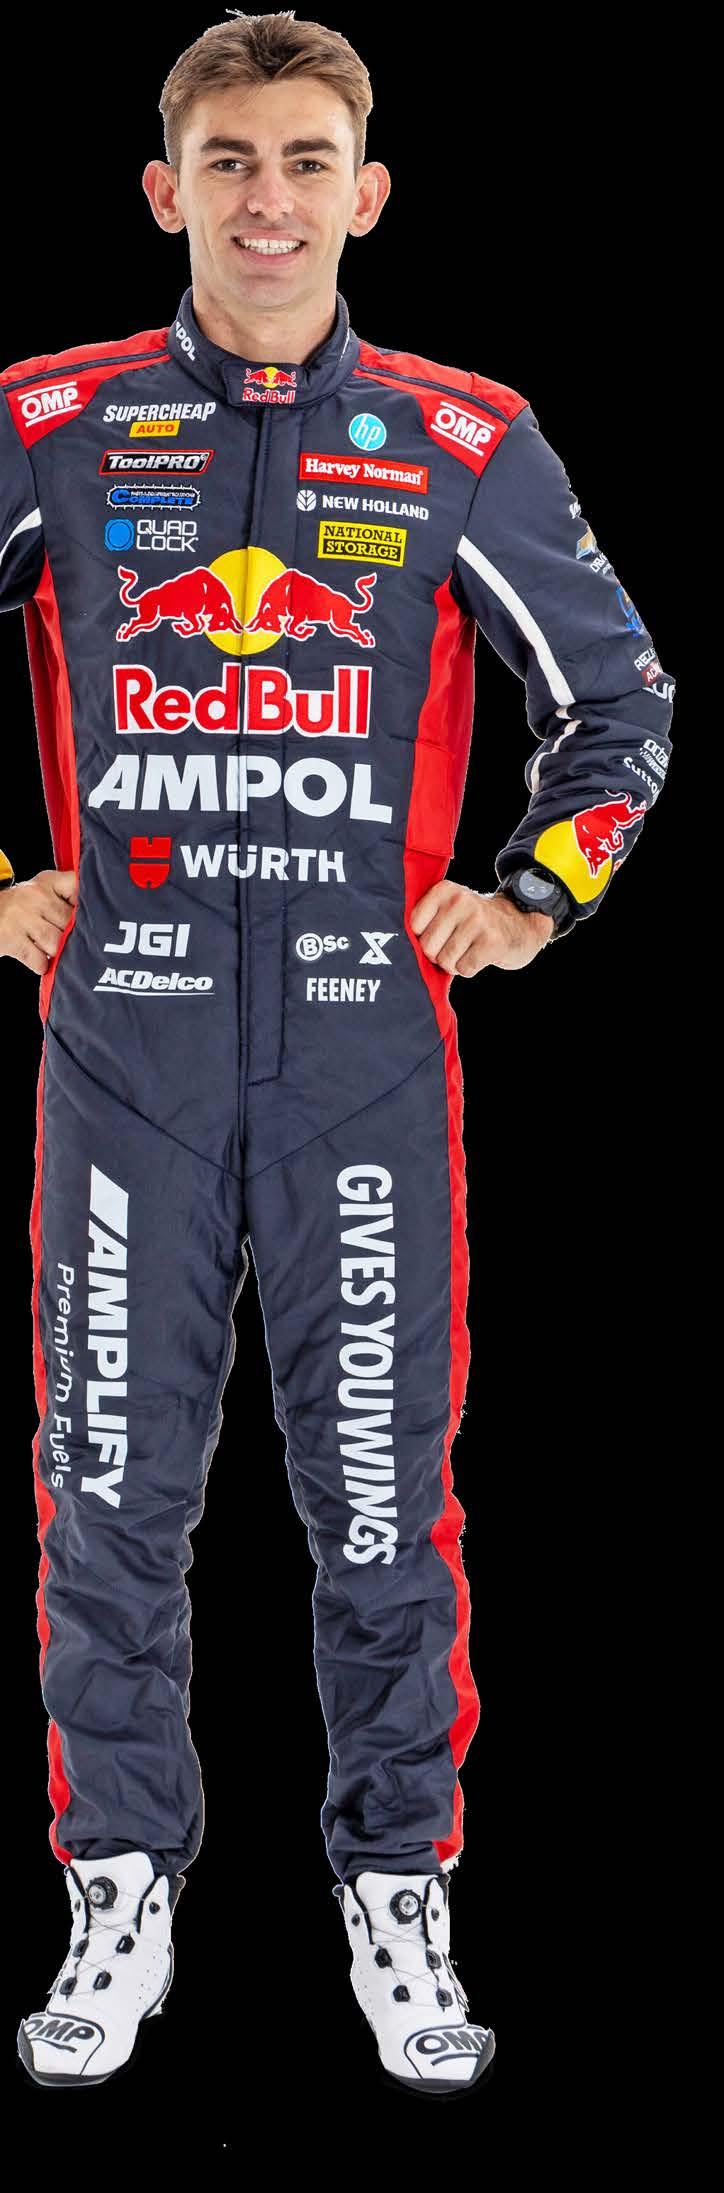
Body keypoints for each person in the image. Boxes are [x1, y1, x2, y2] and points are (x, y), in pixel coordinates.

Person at [1, 11, 675, 2095]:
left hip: (366, 1066)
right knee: (108, 1495)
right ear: (165, 190)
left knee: (381, 1496)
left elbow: (624, 706)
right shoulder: (52, 419)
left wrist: (534, 894)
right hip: (125, 1053)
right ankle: (120, 1880)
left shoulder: (462, 436)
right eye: (228, 160)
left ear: (366, 192)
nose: (267, 199)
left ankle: (400, 1880)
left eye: (305, 160)